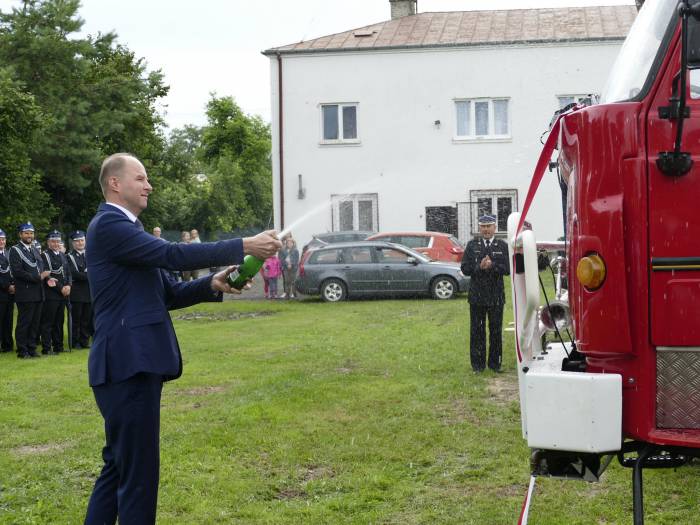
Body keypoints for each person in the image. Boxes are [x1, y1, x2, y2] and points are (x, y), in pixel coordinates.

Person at [83, 152, 281, 525]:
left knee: (119, 467)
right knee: (138, 475)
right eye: (140, 178)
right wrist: (243, 245)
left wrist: (212, 282)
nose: (149, 186)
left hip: (127, 364)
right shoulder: (109, 225)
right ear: (115, 183)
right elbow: (173, 254)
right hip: (129, 363)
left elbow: (168, 293)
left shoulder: (129, 232)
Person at [460, 215, 510, 373]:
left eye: (489, 226)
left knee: (495, 331)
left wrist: (492, 265)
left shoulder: (502, 245)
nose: (486, 229)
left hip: (496, 297)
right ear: (479, 228)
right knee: (477, 332)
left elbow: (508, 269)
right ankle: (478, 366)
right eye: (483, 226)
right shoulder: (472, 245)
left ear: (495, 227)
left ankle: (495, 365)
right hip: (477, 297)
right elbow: (465, 269)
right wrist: (479, 267)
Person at [9, 222, 48, 359]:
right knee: (24, 323)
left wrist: (47, 278)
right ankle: (22, 350)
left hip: (38, 292)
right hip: (25, 293)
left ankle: (32, 348)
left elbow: (40, 267)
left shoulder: (35, 249)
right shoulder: (15, 250)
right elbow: (18, 272)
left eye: (31, 233)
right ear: (20, 234)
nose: (29, 235)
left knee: (35, 323)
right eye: (26, 233)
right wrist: (38, 277)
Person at [39, 230, 72, 355]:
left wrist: (68, 285)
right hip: (52, 293)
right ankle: (47, 348)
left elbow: (68, 272)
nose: (56, 243)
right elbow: (49, 276)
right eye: (53, 241)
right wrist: (61, 288)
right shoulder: (45, 255)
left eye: (58, 241)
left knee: (59, 321)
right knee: (49, 322)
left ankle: (58, 346)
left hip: (63, 293)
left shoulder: (63, 255)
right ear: (48, 243)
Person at [68, 230, 92, 348]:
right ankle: (75, 341)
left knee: (86, 319)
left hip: (89, 292)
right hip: (77, 293)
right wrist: (88, 275)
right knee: (76, 319)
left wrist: (85, 274)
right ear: (73, 243)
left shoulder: (91, 254)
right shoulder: (69, 256)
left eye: (82, 240)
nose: (80, 243)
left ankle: (84, 341)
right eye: (77, 241)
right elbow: (73, 273)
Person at [0, 229, 15, 353]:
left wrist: (14, 285)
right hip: (1, 292)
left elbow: (13, 272)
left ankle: (7, 344)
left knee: (8, 320)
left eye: (3, 239)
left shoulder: (9, 253)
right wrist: (7, 286)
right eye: (0, 239)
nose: (2, 241)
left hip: (10, 294)